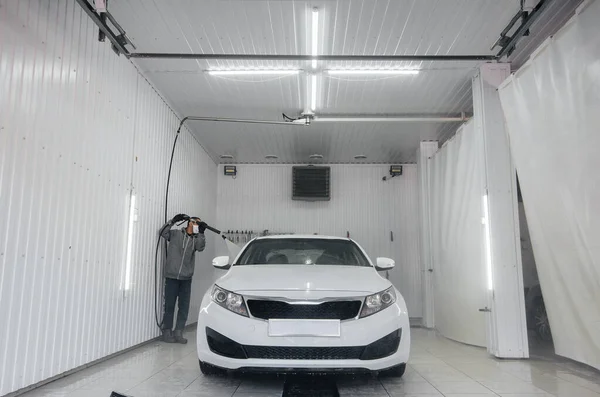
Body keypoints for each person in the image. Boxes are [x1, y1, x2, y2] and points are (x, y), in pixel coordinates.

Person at [159, 213, 207, 343]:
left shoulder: (196, 240)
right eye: (196, 222)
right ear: (189, 223)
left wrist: (202, 233)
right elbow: (162, 233)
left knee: (184, 307)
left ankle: (178, 332)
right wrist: (173, 221)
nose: (197, 225)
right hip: (172, 276)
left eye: (199, 223)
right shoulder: (175, 234)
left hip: (186, 278)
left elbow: (201, 247)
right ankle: (166, 331)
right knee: (169, 306)